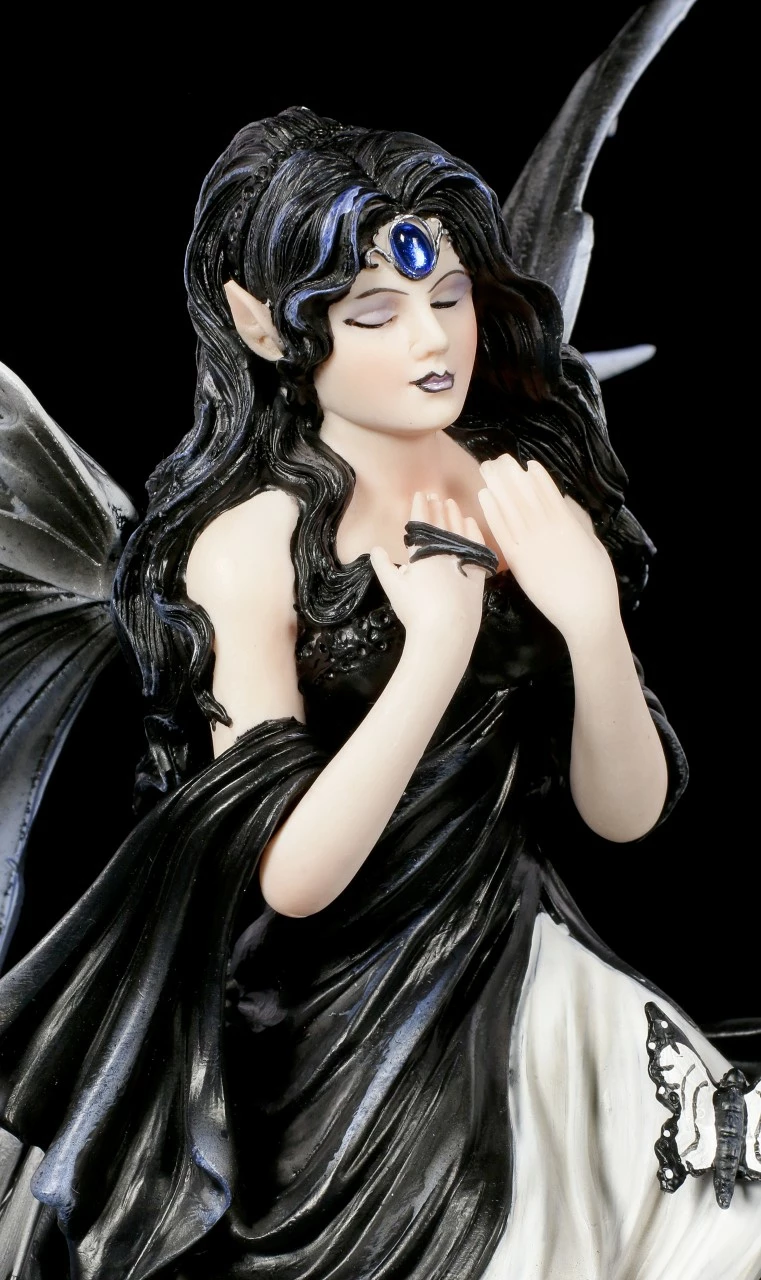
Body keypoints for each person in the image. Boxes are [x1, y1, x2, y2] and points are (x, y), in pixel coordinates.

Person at [0, 99, 758, 1280]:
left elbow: (624, 813)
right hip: (336, 1027)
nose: (430, 340)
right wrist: (433, 650)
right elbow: (290, 876)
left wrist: (589, 617)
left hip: (523, 962)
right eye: (373, 312)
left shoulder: (524, 481)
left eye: (447, 296)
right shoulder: (249, 544)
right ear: (263, 324)